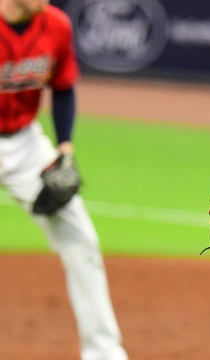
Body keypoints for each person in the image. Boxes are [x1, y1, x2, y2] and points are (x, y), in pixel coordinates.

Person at [0, 1, 127, 359]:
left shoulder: (55, 25)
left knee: (81, 240)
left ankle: (104, 353)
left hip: (25, 143)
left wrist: (64, 150)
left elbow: (63, 87)